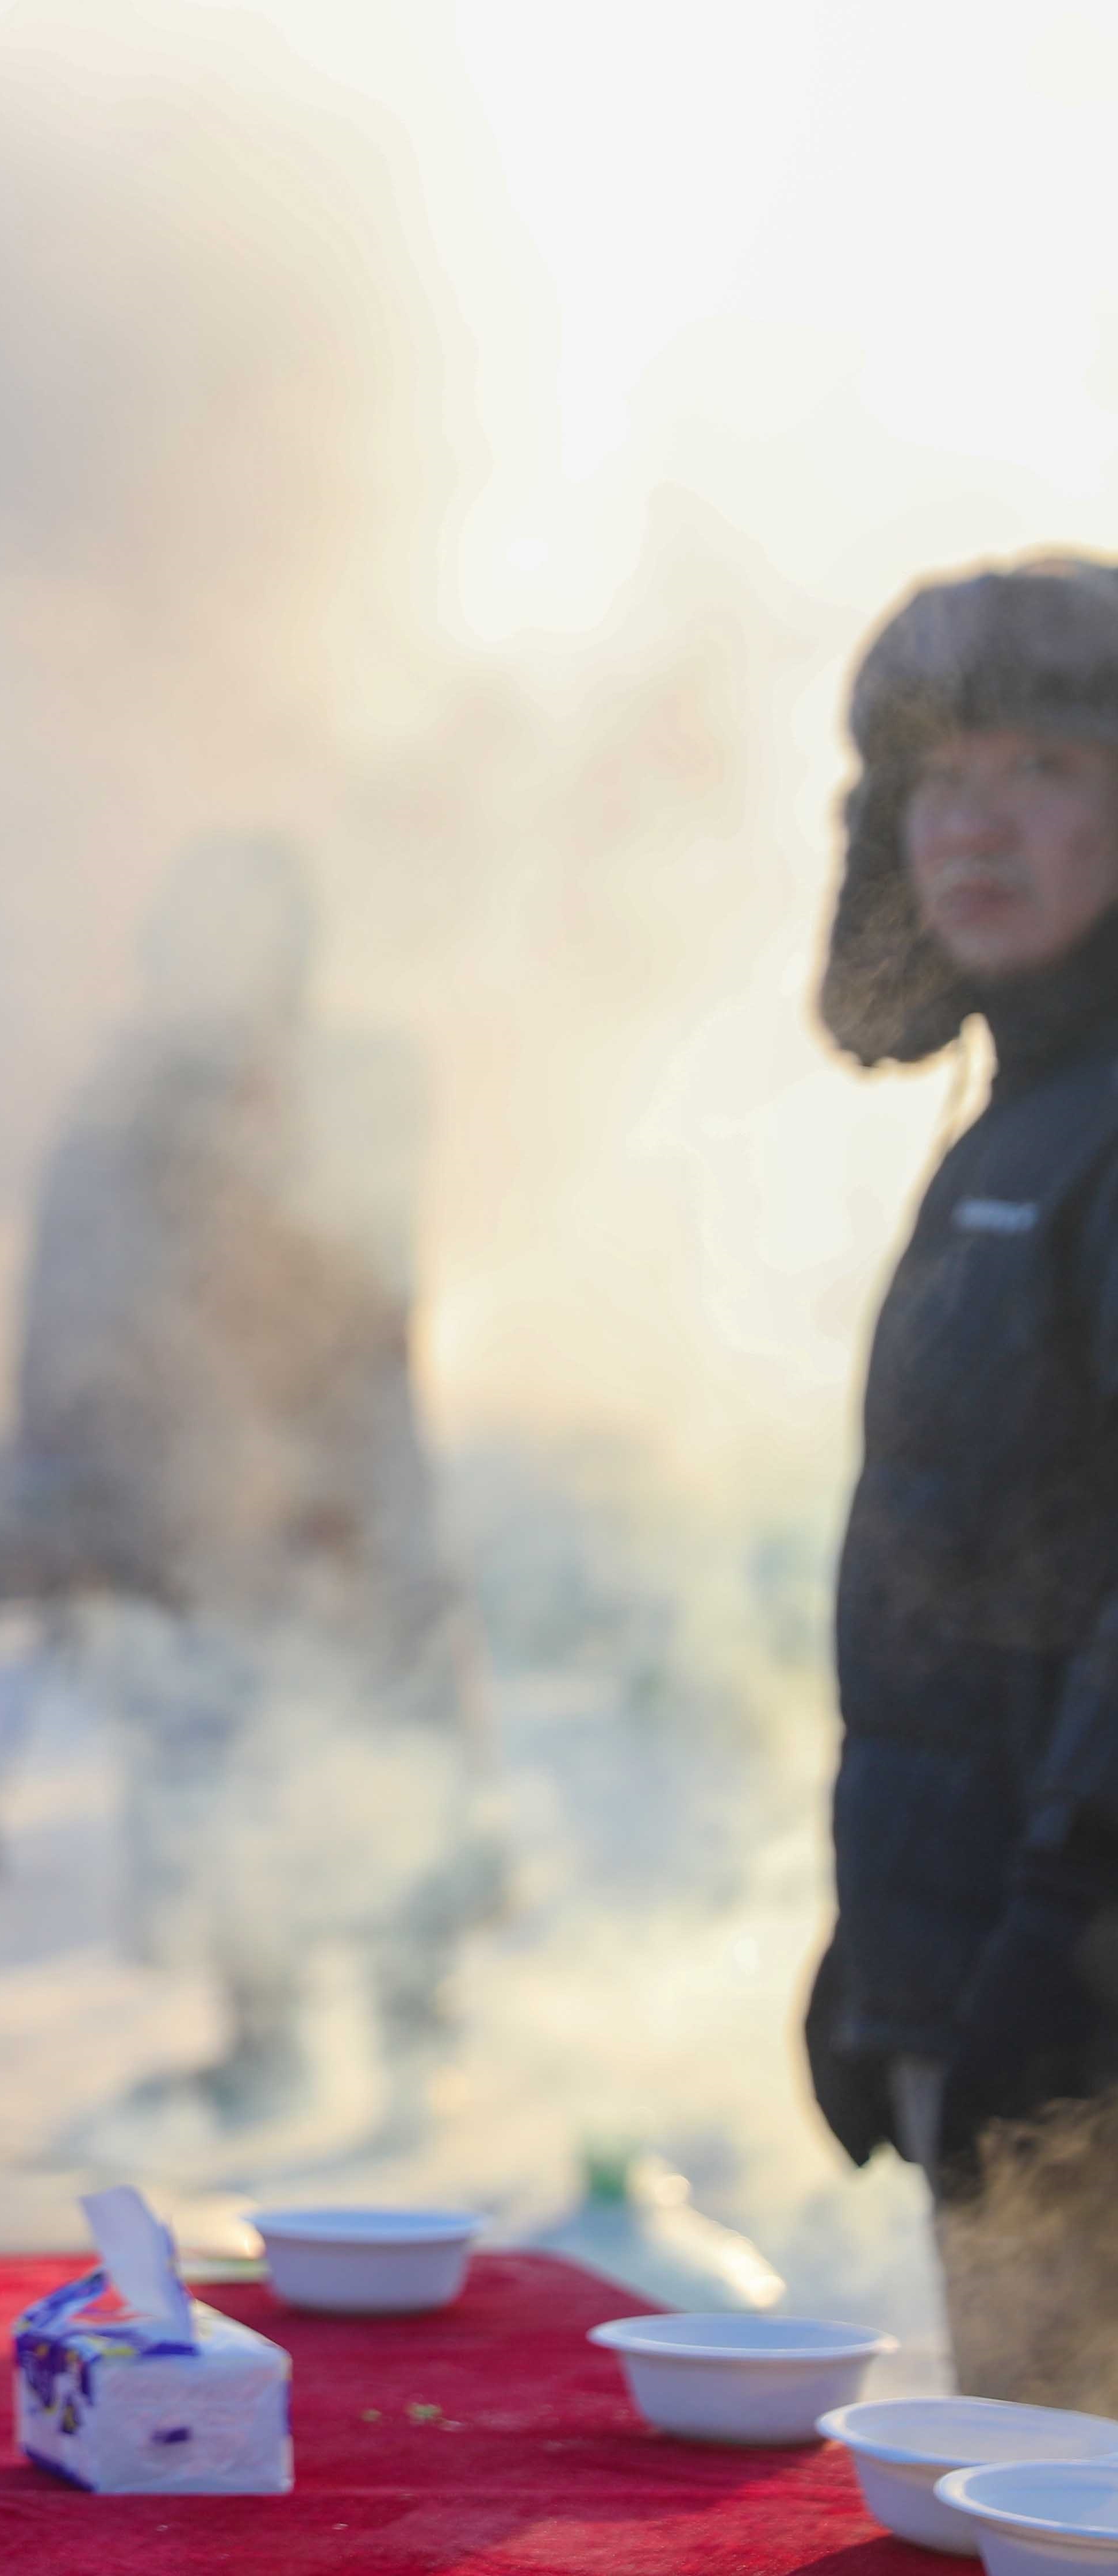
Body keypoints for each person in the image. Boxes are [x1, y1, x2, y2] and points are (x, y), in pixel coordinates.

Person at [0, 835, 490, 2131]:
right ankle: (262, 2040)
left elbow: (355, 1281)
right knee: (221, 1767)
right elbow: (67, 1312)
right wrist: (67, 1492)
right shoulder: (115, 1110)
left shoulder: (356, 1081)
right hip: (187, 1512)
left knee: (394, 1756)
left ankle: (415, 2030)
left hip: (344, 1497)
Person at [807, 554, 1118, 2412]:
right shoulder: (1023, 1117)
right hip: (1006, 1993)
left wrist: (1063, 1964)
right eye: (939, 780)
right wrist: (894, 1947)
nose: (979, 822)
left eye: (1049, 769)